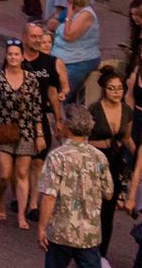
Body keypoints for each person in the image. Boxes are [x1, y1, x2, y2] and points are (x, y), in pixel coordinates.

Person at [36, 104, 113, 268]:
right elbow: (108, 193)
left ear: (68, 126)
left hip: (61, 232)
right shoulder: (99, 157)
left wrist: (42, 227)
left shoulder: (57, 156)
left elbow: (49, 196)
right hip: (89, 234)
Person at [0, 39, 47, 226]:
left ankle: (21, 214)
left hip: (26, 131)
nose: (13, 57)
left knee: (22, 173)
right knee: (5, 174)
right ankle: (1, 198)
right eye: (10, 54)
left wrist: (40, 134)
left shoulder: (32, 79)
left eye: (16, 54)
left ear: (22, 57)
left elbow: (37, 109)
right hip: (3, 130)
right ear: (6, 56)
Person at [84, 67, 134, 256]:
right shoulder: (94, 110)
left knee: (108, 210)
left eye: (119, 88)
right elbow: (84, 140)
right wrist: (104, 142)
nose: (116, 92)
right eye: (112, 88)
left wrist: (141, 157)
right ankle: (85, 247)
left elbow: (127, 138)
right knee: (91, 206)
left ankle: (101, 253)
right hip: (96, 160)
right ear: (104, 89)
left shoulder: (127, 111)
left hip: (115, 163)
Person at [48, 0, 101, 101]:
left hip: (77, 61)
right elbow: (51, 24)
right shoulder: (73, 11)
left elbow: (69, 36)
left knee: (61, 95)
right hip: (60, 59)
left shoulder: (86, 14)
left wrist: (68, 17)